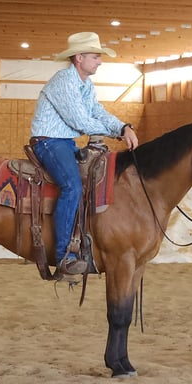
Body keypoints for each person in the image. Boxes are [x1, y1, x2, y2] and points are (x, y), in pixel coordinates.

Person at [30, 31, 139, 275]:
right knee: (72, 186)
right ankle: (63, 255)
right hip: (49, 141)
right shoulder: (64, 82)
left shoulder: (85, 84)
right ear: (79, 58)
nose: (99, 61)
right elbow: (81, 121)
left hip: (65, 142)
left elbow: (97, 112)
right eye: (95, 57)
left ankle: (84, 244)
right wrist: (119, 134)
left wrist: (122, 125)